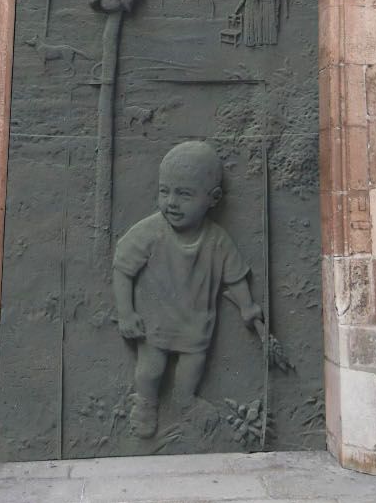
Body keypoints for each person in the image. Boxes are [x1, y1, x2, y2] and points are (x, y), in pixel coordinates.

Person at [112, 141, 267, 438]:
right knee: (151, 369)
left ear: (213, 198)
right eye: (164, 191)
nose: (171, 202)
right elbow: (123, 268)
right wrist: (126, 313)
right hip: (155, 322)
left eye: (184, 194)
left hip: (197, 325)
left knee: (191, 370)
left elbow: (234, 278)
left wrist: (247, 306)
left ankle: (184, 401)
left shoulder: (217, 240)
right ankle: (145, 403)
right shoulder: (149, 232)